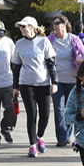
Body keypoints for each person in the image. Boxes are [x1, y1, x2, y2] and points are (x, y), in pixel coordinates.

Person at [11, 16, 58, 157]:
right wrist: (15, 86)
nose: (21, 29)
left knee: (45, 115)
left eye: (24, 26)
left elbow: (51, 63)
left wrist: (54, 82)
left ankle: (40, 136)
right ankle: (32, 145)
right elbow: (16, 66)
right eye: (20, 26)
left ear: (32, 27)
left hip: (43, 82)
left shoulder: (43, 42)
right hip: (26, 83)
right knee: (31, 115)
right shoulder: (19, 44)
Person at [48, 15, 84, 147]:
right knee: (59, 109)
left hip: (72, 79)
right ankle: (61, 137)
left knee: (71, 108)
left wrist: (81, 60)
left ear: (64, 24)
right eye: (54, 24)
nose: (55, 26)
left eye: (58, 23)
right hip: (56, 80)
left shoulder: (74, 39)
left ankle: (68, 134)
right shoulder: (50, 40)